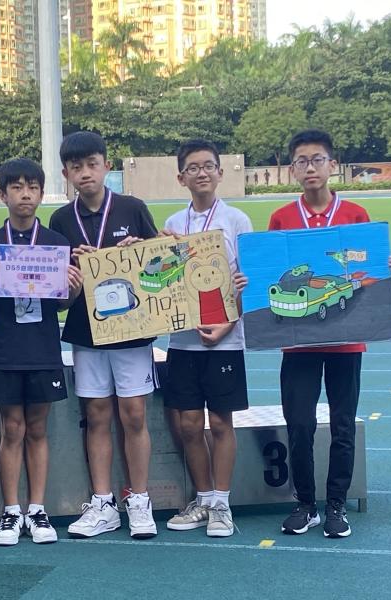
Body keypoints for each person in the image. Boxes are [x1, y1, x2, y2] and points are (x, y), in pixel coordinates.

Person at [237, 129, 391, 539]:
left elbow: (368, 271)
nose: (310, 167)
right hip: (298, 343)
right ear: (292, 170)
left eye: (317, 159)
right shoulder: (281, 218)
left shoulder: (356, 214)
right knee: (299, 424)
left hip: (347, 342)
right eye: (302, 161)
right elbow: (267, 271)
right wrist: (249, 281)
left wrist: (387, 269)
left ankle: (335, 505)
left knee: (343, 424)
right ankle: (305, 503)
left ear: (332, 165)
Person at [49, 131, 160, 539]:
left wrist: (139, 249)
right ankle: (103, 503)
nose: (85, 173)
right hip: (85, 330)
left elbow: (161, 265)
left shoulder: (132, 208)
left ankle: (141, 500)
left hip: (131, 330)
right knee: (95, 415)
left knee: (133, 413)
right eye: (75, 168)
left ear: (106, 166)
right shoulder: (61, 219)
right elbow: (58, 285)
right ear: (66, 174)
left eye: (91, 164)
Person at [0, 158, 83, 546]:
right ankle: (10, 512)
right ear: (2, 194)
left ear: (41, 192)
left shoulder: (55, 243)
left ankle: (37, 509)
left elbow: (61, 303)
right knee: (12, 429)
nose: (25, 194)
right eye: (17, 188)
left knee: (37, 428)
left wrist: (74, 287)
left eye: (32, 187)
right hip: (5, 349)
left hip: (42, 348)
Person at [161, 140, 251, 537]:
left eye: (208, 166)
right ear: (181, 177)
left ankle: (221, 503)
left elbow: (248, 281)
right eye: (192, 168)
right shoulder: (173, 224)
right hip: (182, 340)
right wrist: (147, 251)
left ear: (220, 172)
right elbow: (159, 281)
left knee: (220, 421)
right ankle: (202, 497)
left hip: (225, 339)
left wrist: (229, 325)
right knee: (188, 424)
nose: (201, 173)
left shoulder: (237, 221)